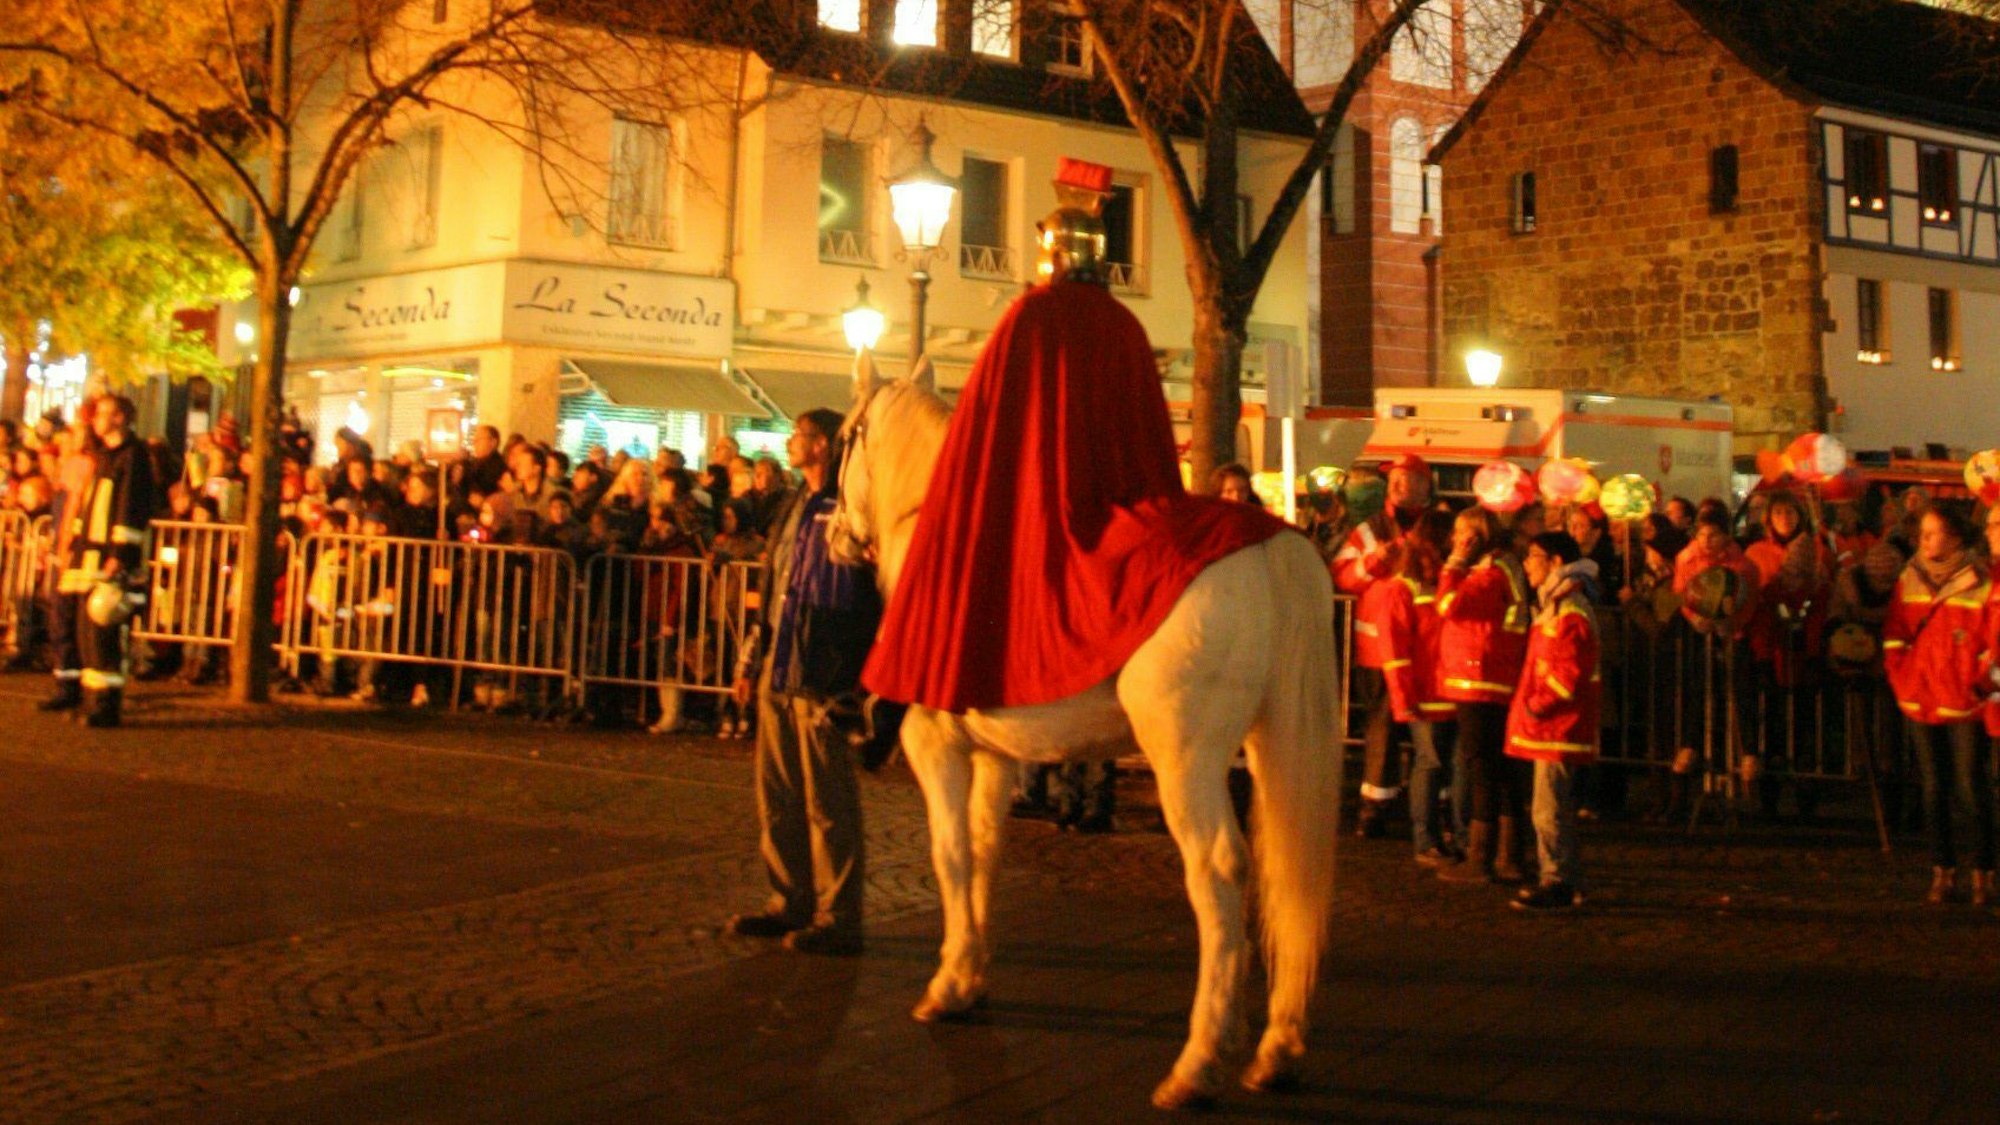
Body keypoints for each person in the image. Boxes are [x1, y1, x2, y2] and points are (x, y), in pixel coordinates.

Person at [726, 408, 881, 956]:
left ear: (822, 445)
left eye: (799, 435)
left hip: (822, 670)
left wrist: (854, 676)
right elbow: (773, 586)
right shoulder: (794, 505)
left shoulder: (850, 506)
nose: (790, 442)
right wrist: (751, 659)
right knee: (778, 793)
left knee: (828, 799)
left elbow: (869, 593)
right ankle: (786, 898)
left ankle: (838, 913)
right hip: (779, 663)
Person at [1883, 506, 1994, 906]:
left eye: (1933, 533)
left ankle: (1984, 869)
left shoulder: (1982, 580)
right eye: (1923, 534)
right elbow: (1895, 632)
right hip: (1920, 694)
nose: (1925, 541)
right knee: (1933, 787)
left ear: (1956, 538)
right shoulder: (1909, 578)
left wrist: (1977, 682)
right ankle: (1942, 869)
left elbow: (1991, 639)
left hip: (1963, 700)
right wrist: (1901, 676)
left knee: (1970, 785)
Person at [1333, 454, 1437, 838]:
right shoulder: (1369, 529)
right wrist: (1373, 562)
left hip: (1427, 650)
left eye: (1405, 479)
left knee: (1430, 729)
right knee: (1381, 729)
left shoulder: (1439, 525)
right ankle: (1375, 807)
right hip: (1377, 649)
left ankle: (1431, 806)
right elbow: (1342, 575)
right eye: (1392, 479)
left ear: (1425, 485)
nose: (1396, 486)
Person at [1436, 505, 1533, 884]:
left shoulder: (1489, 573)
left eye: (1463, 534)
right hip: (1492, 675)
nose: (1457, 541)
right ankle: (1509, 856)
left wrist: (1455, 562)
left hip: (1479, 677)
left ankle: (1481, 856)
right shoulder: (1504, 568)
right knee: (1502, 770)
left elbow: (1450, 605)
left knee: (1482, 768)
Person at [1508, 531, 1602, 911]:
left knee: (1547, 808)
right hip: (1553, 723)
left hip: (1557, 724)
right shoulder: (1555, 603)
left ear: (1556, 561)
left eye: (1534, 555)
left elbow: (1567, 672)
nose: (1528, 564)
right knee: (1552, 806)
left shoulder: (1569, 607)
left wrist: (1536, 705)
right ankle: (1565, 878)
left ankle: (1557, 881)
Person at [69, 396, 163, 726]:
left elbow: (129, 508)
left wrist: (119, 556)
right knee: (86, 632)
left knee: (104, 632)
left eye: (103, 414)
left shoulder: (133, 457)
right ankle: (91, 698)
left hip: (110, 559)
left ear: (120, 417)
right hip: (91, 555)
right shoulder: (106, 456)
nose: (96, 419)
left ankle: (107, 706)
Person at [1377, 509, 1459, 866]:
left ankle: (1447, 835)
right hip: (1425, 694)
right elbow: (1394, 648)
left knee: (1449, 767)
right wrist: (1403, 697)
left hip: (1452, 690)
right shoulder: (1403, 588)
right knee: (1430, 763)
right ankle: (1424, 840)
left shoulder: (1447, 579)